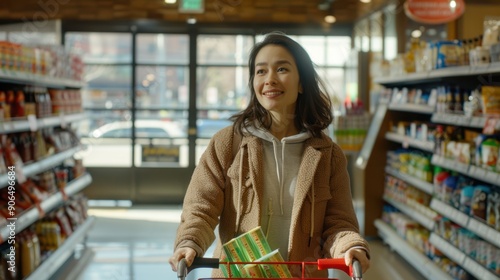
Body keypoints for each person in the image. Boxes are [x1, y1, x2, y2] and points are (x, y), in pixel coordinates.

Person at [169, 31, 370, 278]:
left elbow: (339, 223)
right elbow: (201, 207)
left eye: (282, 69)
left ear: (302, 83)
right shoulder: (227, 143)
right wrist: (190, 242)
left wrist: (350, 246)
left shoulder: (327, 155)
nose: (270, 79)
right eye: (261, 71)